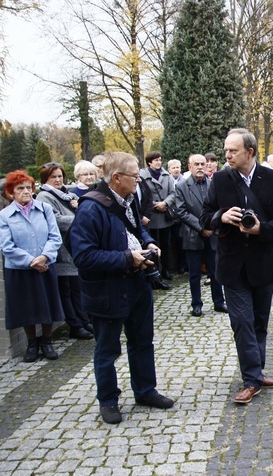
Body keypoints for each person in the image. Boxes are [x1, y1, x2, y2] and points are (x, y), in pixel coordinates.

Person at [69, 152, 174, 424]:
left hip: (138, 283)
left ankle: (145, 391)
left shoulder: (129, 199)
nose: (138, 180)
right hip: (107, 290)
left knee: (142, 341)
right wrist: (128, 259)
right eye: (134, 176)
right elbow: (83, 257)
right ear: (116, 178)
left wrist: (148, 243)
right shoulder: (90, 208)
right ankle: (108, 400)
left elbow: (137, 229)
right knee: (107, 349)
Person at [200, 129, 273, 404]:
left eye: (233, 150)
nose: (227, 155)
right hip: (231, 267)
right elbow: (204, 218)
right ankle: (251, 379)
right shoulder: (219, 179)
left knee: (260, 322)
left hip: (263, 264)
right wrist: (221, 216)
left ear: (250, 152)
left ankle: (256, 370)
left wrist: (261, 229)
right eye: (226, 150)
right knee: (242, 322)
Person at [0, 170, 64, 362]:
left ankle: (46, 341)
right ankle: (32, 343)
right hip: (20, 269)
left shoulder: (44, 209)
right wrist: (31, 261)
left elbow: (55, 237)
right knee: (25, 307)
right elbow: (6, 245)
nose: (26, 191)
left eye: (29, 187)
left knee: (48, 304)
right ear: (11, 192)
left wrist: (44, 257)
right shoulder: (5, 215)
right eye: (20, 188)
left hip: (46, 265)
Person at [35, 163, 94, 340]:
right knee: (66, 290)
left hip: (73, 247)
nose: (58, 180)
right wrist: (80, 217)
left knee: (77, 287)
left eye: (60, 176)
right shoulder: (45, 196)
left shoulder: (68, 195)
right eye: (53, 177)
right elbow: (56, 219)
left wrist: (79, 208)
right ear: (46, 179)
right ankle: (74, 325)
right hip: (61, 249)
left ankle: (83, 320)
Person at [174, 154, 226, 317]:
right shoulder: (182, 186)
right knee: (195, 274)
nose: (200, 166)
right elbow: (181, 211)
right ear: (189, 167)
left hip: (212, 235)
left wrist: (212, 224)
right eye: (196, 164)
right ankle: (196, 304)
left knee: (215, 271)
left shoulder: (213, 184)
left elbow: (220, 207)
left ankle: (219, 302)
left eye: (203, 163)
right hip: (192, 235)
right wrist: (201, 227)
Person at [139, 151, 175, 287]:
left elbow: (173, 192)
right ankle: (156, 272)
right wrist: (155, 205)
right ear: (149, 162)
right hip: (151, 215)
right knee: (153, 244)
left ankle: (166, 269)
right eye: (155, 160)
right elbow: (143, 194)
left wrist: (165, 203)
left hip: (165, 214)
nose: (158, 162)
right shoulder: (143, 176)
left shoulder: (166, 175)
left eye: (160, 160)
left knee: (166, 244)